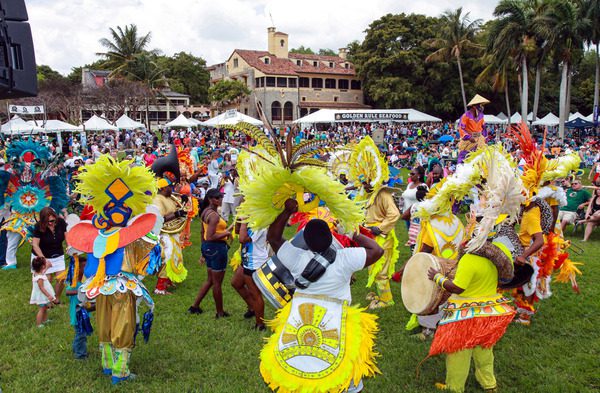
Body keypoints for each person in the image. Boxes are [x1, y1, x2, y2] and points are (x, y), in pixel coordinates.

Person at [260, 199, 383, 393]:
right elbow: (377, 250)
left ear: (305, 241)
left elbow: (273, 238)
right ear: (331, 237)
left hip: (301, 319)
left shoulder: (296, 258)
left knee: (298, 369)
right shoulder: (345, 258)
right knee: (344, 373)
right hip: (338, 321)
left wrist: (286, 211)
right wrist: (352, 233)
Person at [426, 239, 516, 393]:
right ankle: (489, 384)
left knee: (458, 352)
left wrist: (437, 277)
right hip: (489, 313)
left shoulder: (469, 259)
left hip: (465, 317)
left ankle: (454, 387)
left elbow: (457, 288)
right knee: (484, 350)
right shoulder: (497, 255)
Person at [188, 189, 231, 318]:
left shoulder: (205, 212)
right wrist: (226, 233)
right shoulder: (214, 216)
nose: (220, 200)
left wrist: (203, 251)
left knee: (210, 280)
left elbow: (203, 233)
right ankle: (220, 312)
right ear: (211, 199)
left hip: (209, 248)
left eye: (220, 197)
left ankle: (194, 306)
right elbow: (210, 236)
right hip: (217, 248)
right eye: (217, 198)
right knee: (217, 283)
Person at [153, 178, 188, 295]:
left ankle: (167, 281)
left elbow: (176, 210)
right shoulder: (157, 200)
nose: (171, 189)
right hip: (164, 234)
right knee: (168, 256)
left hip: (173, 232)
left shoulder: (168, 198)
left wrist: (182, 202)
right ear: (163, 188)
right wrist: (177, 214)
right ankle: (160, 288)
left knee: (176, 257)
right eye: (169, 187)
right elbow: (159, 219)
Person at [31, 207, 68, 300]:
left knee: (62, 278)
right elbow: (35, 245)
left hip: (57, 254)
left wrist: (69, 246)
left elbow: (67, 236)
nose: (51, 223)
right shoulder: (38, 227)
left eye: (52, 220)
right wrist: (44, 260)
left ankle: (56, 298)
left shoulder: (61, 223)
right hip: (42, 255)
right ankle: (46, 300)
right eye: (48, 222)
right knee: (46, 279)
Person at [457, 94, 490, 163]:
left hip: (479, 138)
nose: (482, 107)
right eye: (480, 105)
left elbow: (484, 128)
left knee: (481, 158)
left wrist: (485, 138)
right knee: (463, 158)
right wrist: (468, 137)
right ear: (474, 106)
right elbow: (461, 128)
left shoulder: (481, 116)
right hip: (468, 139)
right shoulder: (466, 116)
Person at [30, 256, 59, 327]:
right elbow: (41, 287)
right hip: (42, 295)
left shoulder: (36, 273)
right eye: (45, 264)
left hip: (42, 295)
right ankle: (38, 324)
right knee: (42, 309)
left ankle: (45, 320)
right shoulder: (40, 278)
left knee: (45, 307)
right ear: (43, 266)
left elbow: (43, 272)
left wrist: (47, 267)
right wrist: (48, 295)